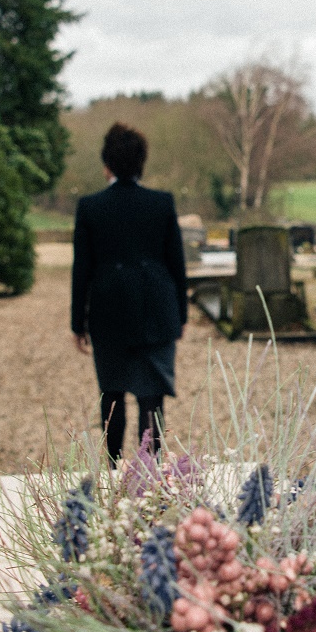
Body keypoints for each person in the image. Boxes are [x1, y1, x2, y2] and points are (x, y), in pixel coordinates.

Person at [72, 123, 188, 464]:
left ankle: (112, 471)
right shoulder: (161, 203)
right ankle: (149, 481)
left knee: (111, 395)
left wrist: (77, 322)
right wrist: (180, 315)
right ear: (142, 163)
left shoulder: (90, 207)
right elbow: (176, 265)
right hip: (157, 311)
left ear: (106, 163)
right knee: (152, 399)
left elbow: (83, 270)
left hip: (108, 314)